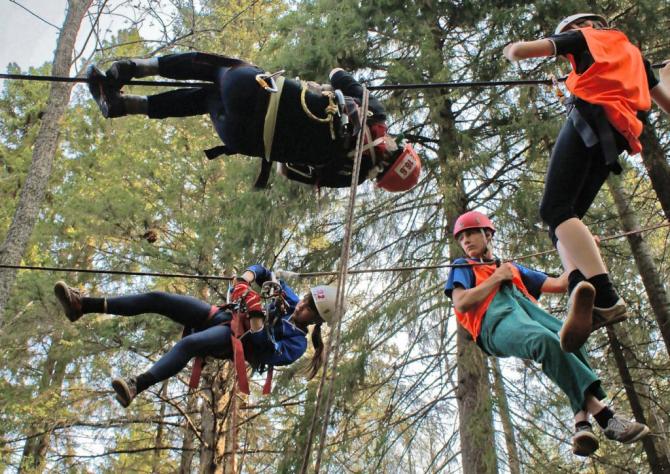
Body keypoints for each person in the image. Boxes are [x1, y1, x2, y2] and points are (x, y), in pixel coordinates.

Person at [502, 13, 670, 352]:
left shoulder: (584, 37)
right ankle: (583, 286)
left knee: (554, 208)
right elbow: (666, 103)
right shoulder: (633, 54)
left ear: (578, 27)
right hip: (616, 138)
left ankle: (605, 297)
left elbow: (526, 51)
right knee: (563, 220)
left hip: (590, 120)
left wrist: (512, 50)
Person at [444, 211, 649, 456]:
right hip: (494, 323)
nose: (465, 240)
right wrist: (496, 279)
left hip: (530, 317)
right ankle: (605, 416)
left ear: (487, 234)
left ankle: (581, 422)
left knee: (571, 338)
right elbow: (461, 303)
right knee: (544, 341)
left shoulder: (513, 269)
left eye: (470, 233)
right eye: (461, 237)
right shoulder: (464, 267)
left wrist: (584, 254)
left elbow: (561, 283)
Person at [85, 52, 421, 191]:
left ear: (399, 148)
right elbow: (288, 170)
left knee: (218, 68)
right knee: (206, 98)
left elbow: (338, 74)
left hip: (262, 96)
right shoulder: (348, 178)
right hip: (242, 138)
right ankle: (122, 106)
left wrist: (331, 88)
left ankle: (133, 68)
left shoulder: (375, 115)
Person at [54, 264, 340, 407]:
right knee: (158, 298)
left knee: (189, 344)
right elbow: (264, 271)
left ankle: (135, 386)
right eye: (305, 298)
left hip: (232, 341)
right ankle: (82, 305)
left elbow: (267, 349)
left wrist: (257, 320)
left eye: (308, 308)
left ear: (317, 319)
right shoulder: (289, 299)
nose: (301, 304)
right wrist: (246, 280)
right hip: (225, 315)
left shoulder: (298, 344)